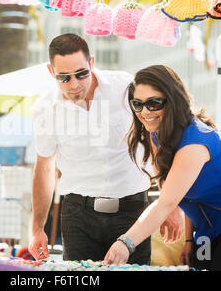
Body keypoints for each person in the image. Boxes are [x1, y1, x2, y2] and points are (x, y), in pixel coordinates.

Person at [28, 34, 184, 264]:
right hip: (78, 216)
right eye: (64, 77)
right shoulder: (45, 108)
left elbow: (154, 142)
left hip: (133, 212)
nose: (74, 84)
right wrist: (37, 229)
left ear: (91, 63)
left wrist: (169, 203)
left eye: (81, 74)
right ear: (51, 72)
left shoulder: (125, 88)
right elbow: (44, 169)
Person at [104, 65, 221, 271]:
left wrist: (126, 242)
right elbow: (181, 194)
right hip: (206, 231)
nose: (145, 112)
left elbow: (166, 202)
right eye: (137, 104)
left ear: (173, 100)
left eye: (154, 103)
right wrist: (188, 241)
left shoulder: (195, 141)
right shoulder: (156, 135)